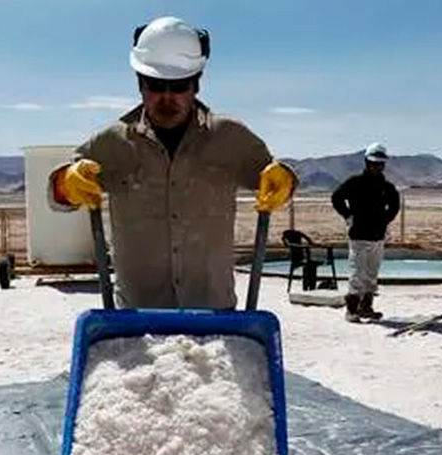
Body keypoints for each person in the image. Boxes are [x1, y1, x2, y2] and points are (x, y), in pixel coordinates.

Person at [48, 16, 298, 310]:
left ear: (196, 85)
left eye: (179, 86)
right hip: (136, 319)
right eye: (156, 85)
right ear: (140, 84)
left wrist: (287, 180)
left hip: (214, 314)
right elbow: (57, 198)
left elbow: (276, 180)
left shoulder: (232, 138)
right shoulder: (111, 142)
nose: (167, 98)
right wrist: (66, 183)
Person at [331, 142, 400, 322]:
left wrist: (385, 220)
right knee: (357, 274)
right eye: (374, 163)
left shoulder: (387, 187)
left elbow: (395, 204)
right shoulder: (355, 183)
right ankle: (351, 310)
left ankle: (366, 307)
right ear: (366, 162)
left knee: (371, 275)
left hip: (377, 237)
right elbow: (336, 197)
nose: (377, 166)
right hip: (359, 236)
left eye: (380, 163)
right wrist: (347, 215)